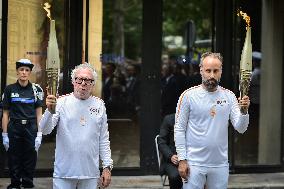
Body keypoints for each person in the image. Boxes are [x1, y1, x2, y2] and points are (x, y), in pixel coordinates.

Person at [174, 52, 250, 189]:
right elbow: (179, 129)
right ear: (201, 70)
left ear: (221, 71)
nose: (212, 75)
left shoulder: (230, 96)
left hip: (220, 164)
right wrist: (182, 160)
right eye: (208, 70)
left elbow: (241, 128)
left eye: (216, 71)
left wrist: (244, 111)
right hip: (194, 163)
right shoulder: (188, 96)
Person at [39, 63, 113, 189]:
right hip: (64, 173)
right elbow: (45, 130)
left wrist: (107, 166)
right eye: (79, 79)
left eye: (88, 80)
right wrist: (49, 111)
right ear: (73, 82)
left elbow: (104, 139)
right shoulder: (61, 102)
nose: (83, 83)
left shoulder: (99, 105)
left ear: (93, 84)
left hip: (90, 174)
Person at [2, 59, 44, 189]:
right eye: (21, 70)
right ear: (17, 72)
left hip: (30, 127)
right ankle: (15, 183)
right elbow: (5, 114)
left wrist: (39, 133)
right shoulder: (9, 89)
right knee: (14, 157)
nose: (24, 72)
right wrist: (4, 134)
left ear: (30, 72)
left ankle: (27, 183)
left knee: (30, 157)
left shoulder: (36, 89)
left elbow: (39, 114)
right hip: (14, 127)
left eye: (27, 70)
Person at [158, 114, 183, 189]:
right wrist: (170, 156)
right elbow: (161, 142)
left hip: (191, 159)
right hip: (172, 160)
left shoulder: (194, 120)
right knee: (175, 176)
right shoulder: (169, 119)